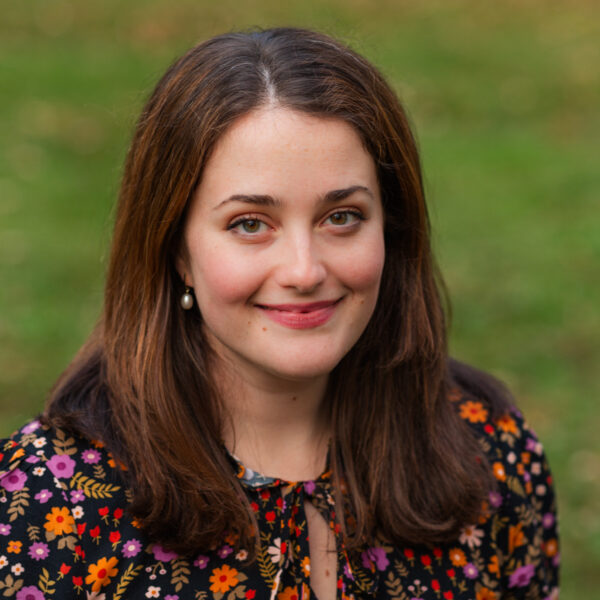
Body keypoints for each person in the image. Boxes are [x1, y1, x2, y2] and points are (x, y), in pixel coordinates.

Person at [0, 28, 558, 599]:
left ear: (391, 226)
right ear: (176, 251)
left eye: (341, 216)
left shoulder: (490, 457)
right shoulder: (51, 503)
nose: (304, 270)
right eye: (249, 224)